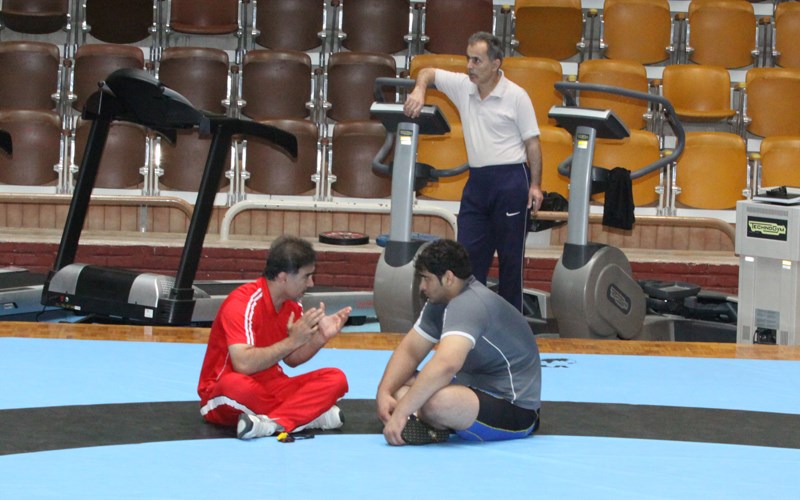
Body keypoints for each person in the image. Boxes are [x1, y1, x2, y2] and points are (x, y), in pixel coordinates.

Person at [404, 31, 544, 313]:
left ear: (495, 64)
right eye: (468, 59)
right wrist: (419, 89)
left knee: (510, 262)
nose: (469, 66)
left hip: (511, 181)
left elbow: (533, 143)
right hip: (478, 183)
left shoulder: (517, 96)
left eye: (477, 60)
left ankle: (510, 327)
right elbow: (428, 72)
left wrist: (535, 186)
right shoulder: (462, 86)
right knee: (465, 260)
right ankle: (467, 320)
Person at [376, 239, 542, 445]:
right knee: (398, 381)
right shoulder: (439, 302)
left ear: (448, 278)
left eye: (426, 279)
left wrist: (401, 411)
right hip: (471, 390)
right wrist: (383, 393)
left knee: (437, 402)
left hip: (515, 408)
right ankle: (427, 420)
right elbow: (410, 351)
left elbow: (447, 364)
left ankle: (426, 420)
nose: (422, 287)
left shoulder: (470, 304)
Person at [197, 235, 351, 440]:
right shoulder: (242, 303)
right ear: (283, 277)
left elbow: (291, 359)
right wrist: (292, 341)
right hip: (225, 392)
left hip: (272, 387)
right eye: (306, 276)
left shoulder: (292, 305)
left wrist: (320, 338)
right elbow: (243, 364)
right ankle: (306, 416)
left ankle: (272, 424)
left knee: (336, 378)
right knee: (235, 385)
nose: (311, 283)